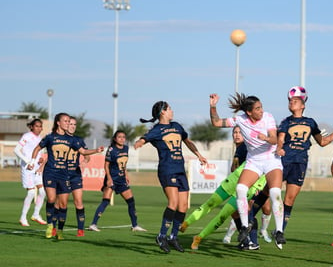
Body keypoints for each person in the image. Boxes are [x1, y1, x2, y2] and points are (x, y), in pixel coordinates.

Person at [209, 92, 285, 249]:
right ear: (249, 112)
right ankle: (244, 227)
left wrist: (266, 138)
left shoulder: (268, 117)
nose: (261, 110)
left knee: (274, 192)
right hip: (254, 161)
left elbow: (274, 138)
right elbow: (216, 123)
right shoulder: (240, 120)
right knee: (240, 188)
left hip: (271, 159)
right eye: (257, 108)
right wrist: (213, 106)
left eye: (261, 107)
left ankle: (278, 231)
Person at [134, 101, 207, 253]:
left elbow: (187, 141)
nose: (172, 111)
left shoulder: (177, 126)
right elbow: (145, 138)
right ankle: (161, 235)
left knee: (183, 206)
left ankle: (173, 237)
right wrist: (140, 142)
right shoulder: (157, 130)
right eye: (169, 109)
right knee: (173, 203)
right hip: (167, 170)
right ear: (163, 112)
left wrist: (199, 155)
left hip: (180, 170)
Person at [277, 86, 333, 232]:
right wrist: (279, 148)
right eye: (290, 101)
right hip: (283, 161)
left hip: (300, 163)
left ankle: (280, 231)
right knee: (266, 193)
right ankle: (250, 224)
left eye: (295, 101)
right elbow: (280, 139)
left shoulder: (310, 122)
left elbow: (322, 142)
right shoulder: (285, 122)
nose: (291, 103)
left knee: (290, 199)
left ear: (303, 105)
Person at [28, 112, 104, 240]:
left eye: (69, 122)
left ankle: (60, 230)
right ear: (58, 122)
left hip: (64, 175)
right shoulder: (50, 137)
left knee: (63, 205)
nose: (68, 124)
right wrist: (32, 162)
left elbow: (83, 151)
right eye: (66, 121)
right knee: (51, 199)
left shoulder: (72, 140)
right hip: (50, 172)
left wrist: (96, 150)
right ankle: (50, 225)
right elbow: (37, 148)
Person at [89, 130, 147, 233]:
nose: (122, 139)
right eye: (119, 137)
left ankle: (135, 225)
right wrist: (109, 178)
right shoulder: (111, 150)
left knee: (131, 201)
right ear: (115, 139)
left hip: (121, 179)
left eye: (123, 137)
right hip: (112, 178)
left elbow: (124, 164)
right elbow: (106, 165)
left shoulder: (126, 148)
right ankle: (93, 224)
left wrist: (126, 175)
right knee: (105, 201)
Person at [14, 118, 47, 226]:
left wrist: (41, 159)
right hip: (27, 168)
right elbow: (16, 150)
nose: (39, 128)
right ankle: (23, 217)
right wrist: (27, 161)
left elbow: (40, 153)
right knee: (31, 192)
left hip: (37, 169)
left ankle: (36, 214)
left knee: (42, 192)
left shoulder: (40, 139)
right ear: (31, 126)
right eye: (37, 126)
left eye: (40, 126)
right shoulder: (26, 136)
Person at [66, 116, 90, 237]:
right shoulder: (59, 139)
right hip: (61, 174)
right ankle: (54, 227)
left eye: (74, 124)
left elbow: (87, 156)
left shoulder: (79, 140)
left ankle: (80, 230)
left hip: (75, 174)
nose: (72, 126)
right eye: (70, 124)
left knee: (78, 202)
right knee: (60, 203)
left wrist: (84, 162)